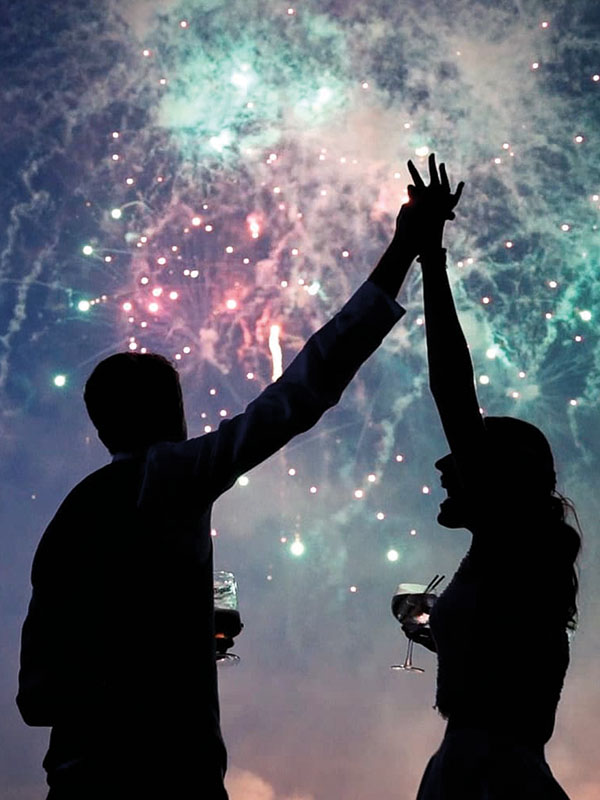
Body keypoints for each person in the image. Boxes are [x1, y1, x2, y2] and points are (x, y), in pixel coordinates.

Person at [17, 189, 427, 799]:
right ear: (170, 414)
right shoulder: (173, 475)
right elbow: (303, 390)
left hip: (76, 773)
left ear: (100, 426)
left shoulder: (73, 513)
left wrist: (163, 639)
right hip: (163, 774)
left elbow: (36, 697)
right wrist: (404, 250)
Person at [401, 154, 580, 799]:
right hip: (471, 770)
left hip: (491, 781)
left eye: (465, 457)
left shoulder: (512, 546)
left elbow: (451, 387)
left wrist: (430, 259)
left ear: (502, 480)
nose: (444, 466)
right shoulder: (506, 557)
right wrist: (435, 627)